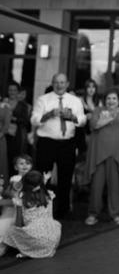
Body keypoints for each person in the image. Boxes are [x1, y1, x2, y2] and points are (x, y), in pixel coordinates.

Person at [30, 73, 86, 219]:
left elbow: (82, 120)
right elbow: (34, 120)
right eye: (56, 82)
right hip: (47, 142)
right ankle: (42, 207)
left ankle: (63, 210)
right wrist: (49, 114)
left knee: (65, 178)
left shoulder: (75, 100)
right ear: (53, 83)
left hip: (67, 143)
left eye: (62, 82)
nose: (59, 85)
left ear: (67, 84)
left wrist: (72, 117)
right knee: (43, 177)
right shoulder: (43, 99)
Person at [85, 89, 119, 226]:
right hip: (99, 153)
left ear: (118, 100)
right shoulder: (98, 111)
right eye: (108, 98)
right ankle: (93, 214)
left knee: (114, 186)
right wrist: (108, 118)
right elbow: (93, 125)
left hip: (116, 154)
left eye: (114, 99)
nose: (111, 101)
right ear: (104, 100)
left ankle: (115, 214)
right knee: (97, 185)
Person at [0, 170, 61, 258]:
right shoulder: (49, 195)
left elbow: (19, 224)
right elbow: (39, 186)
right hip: (52, 238)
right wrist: (44, 180)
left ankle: (29, 250)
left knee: (10, 231)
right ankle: (38, 248)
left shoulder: (22, 201)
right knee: (56, 223)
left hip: (37, 237)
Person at [0, 154, 33, 242]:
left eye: (28, 163)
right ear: (15, 167)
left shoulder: (34, 178)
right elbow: (13, 192)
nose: (25, 165)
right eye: (21, 163)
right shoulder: (15, 178)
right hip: (16, 203)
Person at [5, 81, 32, 164]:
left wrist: (14, 118)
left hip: (17, 135)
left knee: (15, 156)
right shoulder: (3, 102)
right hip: (3, 133)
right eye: (10, 90)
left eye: (14, 90)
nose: (12, 92)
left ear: (18, 92)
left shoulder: (23, 105)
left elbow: (26, 121)